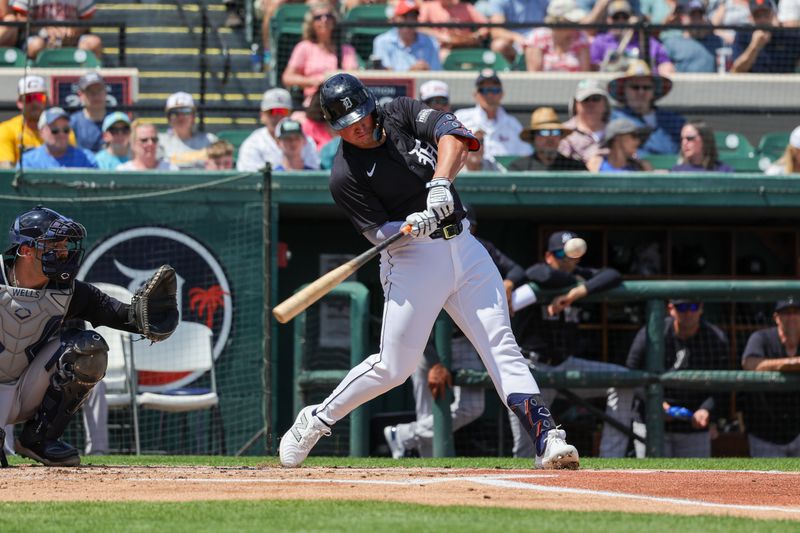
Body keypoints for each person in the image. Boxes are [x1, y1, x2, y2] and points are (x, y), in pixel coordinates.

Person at [279, 73, 579, 470]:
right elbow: (377, 234)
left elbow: (452, 133)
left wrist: (440, 182)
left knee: (501, 345)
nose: (360, 128)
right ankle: (315, 420)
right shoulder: (344, 175)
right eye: (349, 126)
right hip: (413, 260)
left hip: (465, 246)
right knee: (394, 368)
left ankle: (546, 438)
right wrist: (406, 228)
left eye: (363, 117)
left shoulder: (399, 113)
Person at [0, 206, 176, 466]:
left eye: (64, 245)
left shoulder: (68, 291)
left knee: (88, 349)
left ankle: (39, 439)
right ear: (25, 250)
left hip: (24, 390)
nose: (62, 252)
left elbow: (119, 314)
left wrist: (150, 317)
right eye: (52, 245)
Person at [384, 205, 525, 458]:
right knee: (427, 409)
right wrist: (435, 362)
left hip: (461, 340)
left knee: (472, 407)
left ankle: (404, 435)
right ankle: (428, 471)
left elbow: (517, 269)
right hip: (424, 341)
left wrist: (508, 281)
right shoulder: (426, 249)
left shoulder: (478, 248)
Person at [509, 230, 632, 458]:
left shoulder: (580, 279)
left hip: (567, 365)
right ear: (548, 256)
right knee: (525, 450)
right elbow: (540, 274)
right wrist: (575, 281)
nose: (567, 260)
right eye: (560, 254)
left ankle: (611, 458)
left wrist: (577, 292)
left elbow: (612, 275)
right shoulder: (538, 275)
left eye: (571, 255)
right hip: (533, 370)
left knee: (623, 380)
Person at [626, 300, 730, 457]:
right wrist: (655, 402)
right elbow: (631, 373)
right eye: (681, 307)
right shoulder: (652, 332)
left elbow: (723, 383)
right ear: (671, 309)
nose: (688, 313)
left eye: (693, 306)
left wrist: (706, 408)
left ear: (701, 308)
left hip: (694, 424)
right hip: (652, 421)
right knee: (652, 479)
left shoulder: (715, 337)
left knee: (695, 480)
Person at [741, 298, 800, 457]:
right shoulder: (761, 337)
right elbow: (750, 364)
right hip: (765, 431)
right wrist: (791, 364)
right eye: (786, 313)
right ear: (776, 317)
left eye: (796, 312)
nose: (792, 317)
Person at [282, 2, 359, 107]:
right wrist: (313, 81)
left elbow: (354, 75)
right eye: (318, 17)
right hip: (314, 104)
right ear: (311, 23)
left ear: (334, 21)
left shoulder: (347, 50)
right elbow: (287, 77)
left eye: (328, 16)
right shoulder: (304, 47)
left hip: (343, 103)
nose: (324, 20)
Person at [608, 60, 685, 156]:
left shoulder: (672, 120)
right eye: (635, 87)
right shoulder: (614, 119)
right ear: (624, 90)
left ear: (654, 91)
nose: (641, 92)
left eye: (646, 87)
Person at [455, 69, 533, 160]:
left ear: (502, 94)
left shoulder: (513, 124)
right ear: (475, 94)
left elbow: (526, 155)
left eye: (495, 90)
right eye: (484, 90)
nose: (490, 95)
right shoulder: (460, 118)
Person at [0, 75, 75, 168]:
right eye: (29, 98)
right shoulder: (6, 129)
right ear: (19, 102)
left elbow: (72, 162)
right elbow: (7, 169)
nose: (35, 103)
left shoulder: (63, 130)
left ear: (47, 101)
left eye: (39, 97)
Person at [237, 88, 320, 172]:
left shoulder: (306, 140)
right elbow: (249, 179)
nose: (278, 116)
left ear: (290, 114)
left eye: (283, 111)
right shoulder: (253, 143)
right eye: (272, 111)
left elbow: (313, 173)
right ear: (262, 115)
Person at [590, 0, 676, 75]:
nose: (620, 21)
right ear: (608, 19)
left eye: (625, 17)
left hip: (641, 88)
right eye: (616, 17)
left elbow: (665, 64)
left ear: (631, 18)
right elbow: (593, 69)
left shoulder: (646, 41)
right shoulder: (600, 41)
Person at [11, 0, 103, 60]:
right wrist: (43, 31)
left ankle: (89, 84)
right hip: (39, 36)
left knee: (94, 43)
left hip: (72, 38)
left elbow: (87, 18)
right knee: (36, 45)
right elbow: (20, 17)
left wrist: (74, 31)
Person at [731, 0, 800, 73]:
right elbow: (737, 70)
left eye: (765, 14)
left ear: (772, 15)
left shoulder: (785, 36)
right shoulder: (743, 35)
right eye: (757, 16)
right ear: (750, 18)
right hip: (752, 82)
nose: (762, 20)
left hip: (783, 82)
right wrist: (754, 46)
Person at [510, 107, 588, 171]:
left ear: (560, 136)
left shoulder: (576, 168)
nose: (550, 137)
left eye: (555, 132)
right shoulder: (518, 169)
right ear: (533, 137)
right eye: (543, 132)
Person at [372, 0, 442, 72]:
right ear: (396, 19)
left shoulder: (431, 42)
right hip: (395, 83)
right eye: (405, 16)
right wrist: (410, 73)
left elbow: (437, 74)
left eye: (413, 16)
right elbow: (384, 76)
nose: (410, 21)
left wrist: (426, 71)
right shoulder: (382, 42)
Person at [17, 107, 97, 169]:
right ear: (41, 133)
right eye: (55, 130)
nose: (61, 134)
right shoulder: (28, 161)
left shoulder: (86, 158)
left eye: (66, 130)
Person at [524, 0, 591, 72]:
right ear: (558, 21)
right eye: (570, 21)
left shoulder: (580, 37)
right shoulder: (537, 37)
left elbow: (584, 75)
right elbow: (534, 76)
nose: (575, 23)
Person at [662, 0, 725, 73]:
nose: (697, 20)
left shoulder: (716, 41)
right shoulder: (671, 43)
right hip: (684, 83)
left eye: (699, 15)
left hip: (712, 83)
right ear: (682, 18)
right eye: (692, 15)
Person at [159, 92, 217, 170]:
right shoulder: (159, 142)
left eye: (186, 111)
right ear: (168, 118)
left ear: (193, 117)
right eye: (175, 112)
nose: (181, 117)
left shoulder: (209, 141)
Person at [418, 0, 489, 63]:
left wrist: (475, 35)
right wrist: (439, 35)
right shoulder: (429, 6)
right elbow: (419, 27)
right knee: (443, 56)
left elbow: (486, 25)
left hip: (465, 46)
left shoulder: (466, 7)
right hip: (442, 47)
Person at [559, 79, 611, 164]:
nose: (591, 104)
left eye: (595, 99)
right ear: (575, 104)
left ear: (605, 103)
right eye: (585, 99)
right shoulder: (563, 133)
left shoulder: (618, 132)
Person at [587, 118, 653, 172]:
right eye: (633, 136)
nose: (637, 141)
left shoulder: (642, 168)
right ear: (617, 138)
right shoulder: (595, 165)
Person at [69, 72, 108, 153]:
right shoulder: (72, 123)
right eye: (91, 92)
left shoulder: (116, 121)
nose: (96, 96)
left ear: (105, 92)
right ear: (81, 95)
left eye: (99, 91)